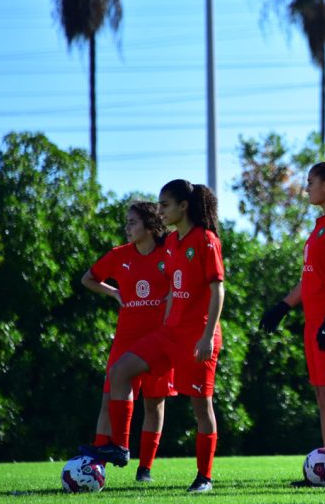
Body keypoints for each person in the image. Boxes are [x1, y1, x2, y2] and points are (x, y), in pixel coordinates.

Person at [82, 180, 225, 494]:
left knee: (202, 409)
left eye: (165, 205)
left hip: (198, 338)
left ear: (183, 206)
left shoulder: (206, 239)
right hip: (169, 335)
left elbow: (218, 290)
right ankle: (119, 447)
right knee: (120, 371)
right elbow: (174, 289)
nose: (160, 211)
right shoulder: (173, 241)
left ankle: (204, 478)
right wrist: (164, 326)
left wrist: (206, 337)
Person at [261, 160, 325, 488]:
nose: (307, 188)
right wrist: (282, 306)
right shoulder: (320, 224)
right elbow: (310, 280)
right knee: (322, 396)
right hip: (315, 321)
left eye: (310, 182)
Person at [81, 201, 175, 483]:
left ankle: (144, 470)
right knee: (109, 396)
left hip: (159, 338)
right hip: (126, 338)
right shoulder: (119, 255)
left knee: (154, 403)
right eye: (127, 222)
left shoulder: (168, 252)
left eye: (133, 222)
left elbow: (180, 283)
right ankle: (98, 460)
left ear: (149, 226)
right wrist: (114, 293)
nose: (127, 227)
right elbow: (88, 279)